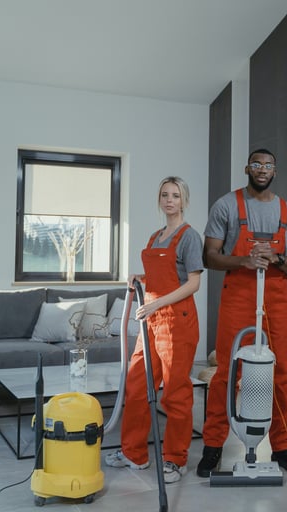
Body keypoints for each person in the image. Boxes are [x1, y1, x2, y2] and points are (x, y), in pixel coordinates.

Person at [196, 149, 287, 477]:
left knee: (281, 371)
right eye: (257, 164)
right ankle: (213, 446)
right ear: (247, 168)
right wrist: (244, 260)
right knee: (227, 371)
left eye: (268, 165)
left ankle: (283, 446)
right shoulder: (226, 205)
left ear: (275, 171)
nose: (262, 169)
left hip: (276, 297)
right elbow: (209, 256)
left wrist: (276, 258)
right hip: (238, 294)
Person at [105, 176, 203, 484]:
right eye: (164, 195)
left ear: (184, 200)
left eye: (175, 195)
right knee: (137, 386)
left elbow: (193, 283)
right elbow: (162, 276)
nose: (169, 200)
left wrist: (157, 303)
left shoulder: (189, 237)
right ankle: (134, 453)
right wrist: (141, 278)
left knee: (175, 392)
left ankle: (175, 459)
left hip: (176, 321)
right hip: (151, 319)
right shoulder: (155, 237)